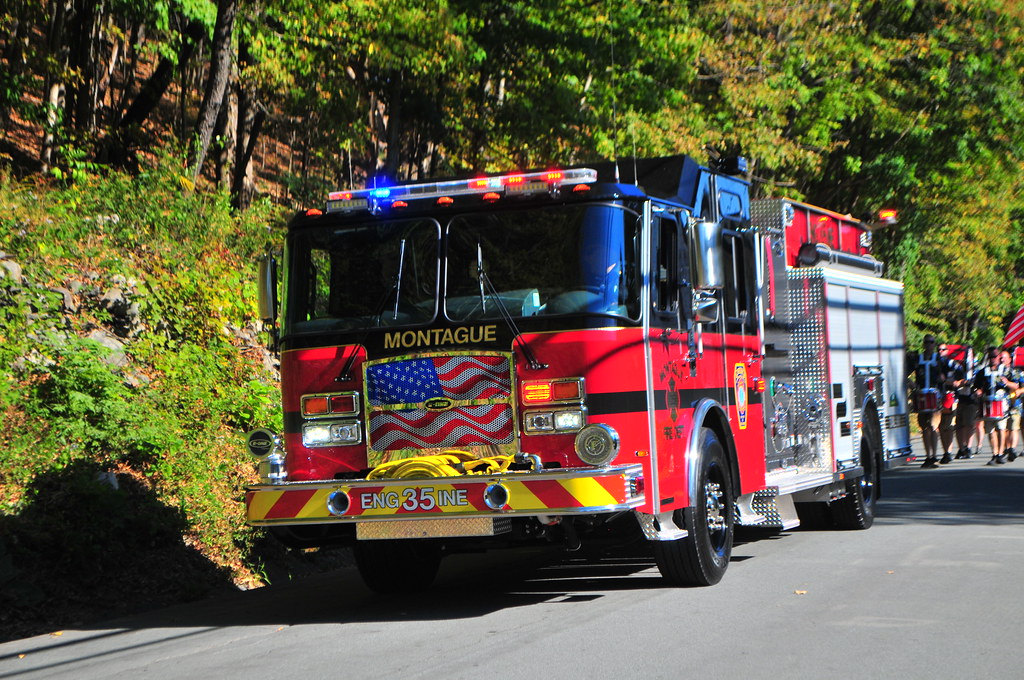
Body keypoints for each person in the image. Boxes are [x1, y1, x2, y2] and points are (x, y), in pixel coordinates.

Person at [972, 346, 1020, 465]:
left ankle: (1000, 453)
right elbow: (976, 386)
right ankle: (994, 454)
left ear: (999, 357)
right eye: (991, 357)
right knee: (991, 430)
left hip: (1002, 404)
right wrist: (978, 391)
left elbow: (1017, 385)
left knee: (1001, 428)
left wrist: (1007, 383)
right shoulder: (983, 371)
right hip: (988, 404)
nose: (993, 359)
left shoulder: (1007, 370)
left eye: (995, 356)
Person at [910, 335, 947, 468]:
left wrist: (945, 378)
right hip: (921, 396)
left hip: (935, 397)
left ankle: (935, 455)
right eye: (926, 342)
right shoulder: (917, 359)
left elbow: (950, 373)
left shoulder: (939, 359)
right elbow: (904, 372)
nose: (928, 345)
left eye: (931, 342)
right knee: (924, 428)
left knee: (933, 426)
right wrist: (911, 384)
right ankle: (928, 456)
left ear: (934, 344)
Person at [937, 343, 960, 464]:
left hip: (950, 397)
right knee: (941, 427)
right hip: (937, 397)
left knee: (949, 425)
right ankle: (945, 452)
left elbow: (963, 378)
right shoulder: (934, 364)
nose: (940, 351)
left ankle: (949, 452)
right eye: (939, 349)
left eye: (943, 349)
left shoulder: (953, 364)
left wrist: (949, 381)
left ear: (947, 351)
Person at [1001, 349, 1022, 462]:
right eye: (1000, 357)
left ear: (1010, 359)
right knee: (1003, 428)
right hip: (1001, 404)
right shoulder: (997, 370)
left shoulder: (1015, 371)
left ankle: (1012, 449)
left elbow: (1017, 385)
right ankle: (1005, 448)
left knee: (1013, 427)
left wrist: (1007, 383)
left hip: (1014, 403)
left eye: (1004, 357)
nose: (1002, 359)